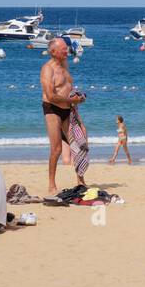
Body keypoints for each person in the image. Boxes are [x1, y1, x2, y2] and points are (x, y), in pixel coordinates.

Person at [41, 36, 85, 196]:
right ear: (53, 52)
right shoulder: (47, 69)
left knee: (78, 145)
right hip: (52, 109)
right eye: (63, 49)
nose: (67, 50)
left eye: (66, 48)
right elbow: (51, 96)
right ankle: (51, 184)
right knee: (57, 149)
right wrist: (71, 99)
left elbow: (67, 86)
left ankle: (80, 181)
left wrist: (77, 99)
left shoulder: (65, 64)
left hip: (69, 108)